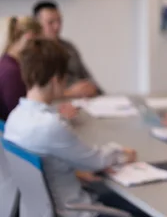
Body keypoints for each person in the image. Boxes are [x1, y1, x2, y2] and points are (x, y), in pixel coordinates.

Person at [3, 38, 144, 217]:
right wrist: (122, 152)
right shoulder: (50, 125)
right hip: (73, 210)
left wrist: (74, 172)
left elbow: (44, 167)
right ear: (56, 80)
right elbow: (96, 160)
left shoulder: (15, 118)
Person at [33, 0, 101, 98]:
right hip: (57, 104)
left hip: (84, 101)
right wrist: (70, 93)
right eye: (51, 22)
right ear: (37, 24)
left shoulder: (69, 47)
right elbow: (35, 94)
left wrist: (94, 89)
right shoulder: (32, 52)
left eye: (59, 21)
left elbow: (87, 76)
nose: (57, 27)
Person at [0, 16, 42, 121]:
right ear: (30, 37)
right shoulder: (11, 71)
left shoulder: (8, 63)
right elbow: (19, 116)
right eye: (39, 43)